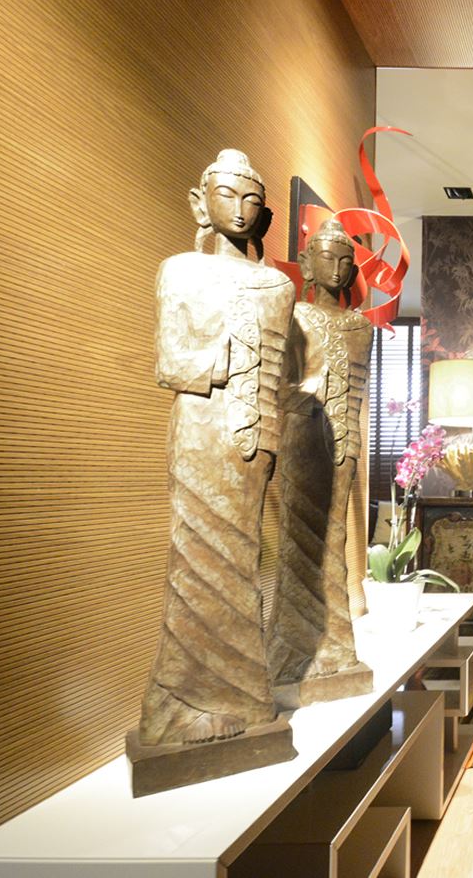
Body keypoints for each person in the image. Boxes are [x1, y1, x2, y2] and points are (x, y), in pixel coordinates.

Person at [137, 150, 294, 746]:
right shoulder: (181, 271)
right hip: (201, 428)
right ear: (201, 203)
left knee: (241, 562)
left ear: (264, 214)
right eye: (227, 195)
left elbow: (282, 374)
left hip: (257, 436)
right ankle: (177, 703)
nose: (240, 209)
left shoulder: (278, 285)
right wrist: (232, 358)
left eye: (252, 200)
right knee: (196, 563)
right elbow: (170, 362)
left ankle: (238, 694)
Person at [268, 216, 373, 706]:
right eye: (327, 258)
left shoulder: (361, 327)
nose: (337, 268)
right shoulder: (295, 316)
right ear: (307, 264)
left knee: (335, 540)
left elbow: (357, 392)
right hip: (302, 434)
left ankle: (336, 646)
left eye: (346, 261)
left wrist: (347, 431)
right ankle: (292, 652)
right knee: (297, 541)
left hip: (344, 440)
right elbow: (284, 383)